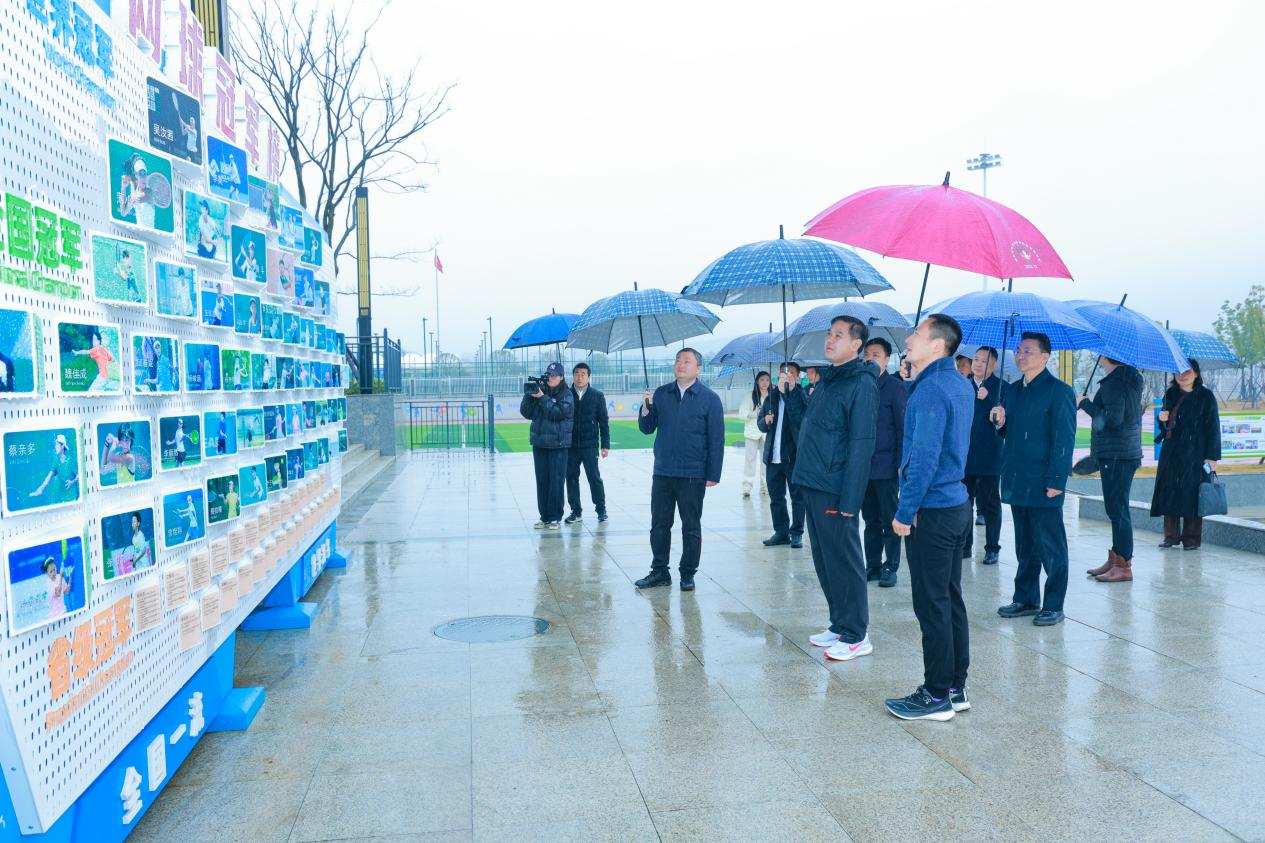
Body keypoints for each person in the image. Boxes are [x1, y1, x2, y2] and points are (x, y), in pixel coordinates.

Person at [884, 314, 975, 722]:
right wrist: (912, 384)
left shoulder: (931, 390)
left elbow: (923, 459)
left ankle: (936, 693)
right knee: (950, 598)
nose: (908, 339)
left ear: (937, 345)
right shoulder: (956, 383)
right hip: (955, 504)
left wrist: (905, 511)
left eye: (917, 334)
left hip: (931, 510)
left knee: (932, 603)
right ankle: (955, 687)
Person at [793, 316, 879, 661]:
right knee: (825, 559)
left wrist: (850, 501)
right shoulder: (829, 380)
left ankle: (857, 633)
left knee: (844, 560)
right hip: (813, 481)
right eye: (829, 334)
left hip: (835, 487)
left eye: (838, 335)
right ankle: (840, 622)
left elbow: (861, 444)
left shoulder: (861, 384)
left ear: (856, 345)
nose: (829, 340)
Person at [990, 332, 1076, 627]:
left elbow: (1064, 440)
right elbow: (1011, 433)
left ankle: (1053, 604)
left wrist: (1057, 480)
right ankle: (1026, 598)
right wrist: (1000, 422)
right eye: (1018, 350)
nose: (1020, 355)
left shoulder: (1059, 392)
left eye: (1028, 351)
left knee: (1051, 546)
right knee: (1025, 545)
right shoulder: (1013, 391)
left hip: (1044, 481)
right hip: (1017, 478)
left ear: (1045, 357)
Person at [634, 348, 724, 591]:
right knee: (659, 524)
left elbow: (716, 439)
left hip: (693, 474)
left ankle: (688, 573)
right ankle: (660, 571)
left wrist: (713, 474)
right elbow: (647, 428)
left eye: (687, 361)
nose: (680, 364)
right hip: (663, 471)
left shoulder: (710, 399)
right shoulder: (662, 394)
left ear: (698, 369)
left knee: (691, 526)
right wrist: (645, 408)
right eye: (678, 360)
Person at [1081, 357, 1145, 580]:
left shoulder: (1115, 383)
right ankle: (1116, 558)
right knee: (1117, 509)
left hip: (1117, 455)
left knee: (1117, 510)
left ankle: (1123, 565)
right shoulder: (1127, 379)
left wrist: (1085, 404)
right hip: (1122, 453)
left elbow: (1113, 419)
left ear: (1107, 356)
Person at [1151, 359, 1220, 550]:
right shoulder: (1170, 394)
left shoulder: (1206, 396)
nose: (1182, 375)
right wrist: (1161, 419)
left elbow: (1213, 428)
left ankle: (1191, 539)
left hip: (1196, 453)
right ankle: (1170, 537)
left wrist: (1212, 457)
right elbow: (1165, 428)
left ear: (1196, 374)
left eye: (1187, 371)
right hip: (1172, 453)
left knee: (1193, 494)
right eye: (1178, 372)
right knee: (1170, 492)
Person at [861, 338, 908, 587]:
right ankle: (873, 565)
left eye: (876, 355)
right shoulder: (860, 385)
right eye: (867, 354)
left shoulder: (895, 388)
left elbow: (903, 430)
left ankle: (891, 566)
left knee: (890, 519)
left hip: (888, 467)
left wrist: (901, 463)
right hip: (863, 467)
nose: (870, 359)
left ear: (887, 359)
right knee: (870, 520)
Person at [963, 347, 1006, 565]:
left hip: (990, 455)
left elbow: (1004, 422)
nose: (978, 364)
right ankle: (965, 546)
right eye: (976, 359)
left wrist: (990, 400)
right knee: (964, 504)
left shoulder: (1002, 388)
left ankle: (992, 548)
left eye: (984, 361)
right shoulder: (963, 385)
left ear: (994, 365)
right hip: (965, 455)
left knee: (990, 505)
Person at [757, 362, 807, 548]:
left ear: (798, 376)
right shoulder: (772, 396)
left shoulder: (801, 395)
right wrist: (765, 421)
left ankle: (797, 533)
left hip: (793, 457)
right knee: (776, 498)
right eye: (782, 373)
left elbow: (802, 421)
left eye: (790, 373)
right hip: (773, 456)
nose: (786, 376)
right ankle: (781, 532)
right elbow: (761, 425)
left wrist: (790, 393)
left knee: (797, 498)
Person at [520, 362, 574, 530]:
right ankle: (544, 517)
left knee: (556, 481)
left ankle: (555, 517)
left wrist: (542, 398)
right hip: (540, 443)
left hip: (558, 444)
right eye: (548, 375)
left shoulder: (567, 394)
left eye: (554, 375)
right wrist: (529, 395)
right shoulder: (540, 390)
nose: (550, 378)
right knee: (542, 481)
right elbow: (526, 413)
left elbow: (558, 413)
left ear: (561, 377)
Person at [565, 363, 610, 524]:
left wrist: (605, 444)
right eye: (577, 373)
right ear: (573, 376)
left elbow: (603, 421)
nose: (579, 377)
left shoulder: (597, 395)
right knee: (571, 478)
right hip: (570, 446)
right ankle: (575, 511)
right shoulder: (566, 394)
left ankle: (601, 510)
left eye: (583, 374)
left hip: (590, 445)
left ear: (589, 376)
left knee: (594, 478)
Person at [741, 372, 772, 497]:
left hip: (767, 433)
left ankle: (765, 487)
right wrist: (754, 413)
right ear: (757, 382)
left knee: (766, 461)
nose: (765, 383)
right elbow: (742, 413)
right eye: (762, 380)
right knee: (750, 460)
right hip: (752, 433)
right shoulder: (750, 396)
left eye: (767, 380)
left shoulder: (772, 396)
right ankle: (747, 487)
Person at [30, 434, 78, 504]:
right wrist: (40, 489)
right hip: (63, 499)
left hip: (72, 497)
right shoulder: (56, 462)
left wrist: (72, 482)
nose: (55, 447)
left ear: (62, 446)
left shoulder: (70, 460)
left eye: (57, 444)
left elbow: (79, 475)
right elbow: (49, 477)